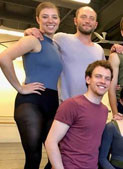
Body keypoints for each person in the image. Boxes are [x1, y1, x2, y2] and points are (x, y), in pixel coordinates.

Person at [0, 2, 62, 169]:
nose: (50, 20)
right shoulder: (33, 40)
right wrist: (20, 88)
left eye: (54, 17)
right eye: (45, 16)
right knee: (33, 156)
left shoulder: (56, 45)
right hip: (31, 102)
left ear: (59, 20)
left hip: (52, 103)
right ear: (37, 19)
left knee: (56, 154)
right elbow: (4, 58)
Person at [24, 6, 105, 101]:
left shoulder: (99, 50)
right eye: (83, 17)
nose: (87, 21)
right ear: (75, 21)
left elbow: (105, 77)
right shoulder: (61, 39)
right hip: (64, 103)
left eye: (91, 18)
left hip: (90, 105)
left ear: (95, 24)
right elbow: (43, 42)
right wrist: (29, 31)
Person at [45, 60, 112, 169]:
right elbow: (51, 142)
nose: (103, 81)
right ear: (88, 79)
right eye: (98, 76)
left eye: (107, 78)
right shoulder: (72, 105)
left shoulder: (104, 110)